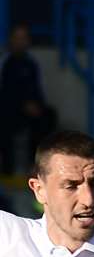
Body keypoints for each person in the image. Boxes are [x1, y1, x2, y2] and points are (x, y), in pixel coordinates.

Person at [0, 25, 58, 174]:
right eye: (17, 38)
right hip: (9, 109)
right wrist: (22, 105)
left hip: (30, 111)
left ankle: (35, 165)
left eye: (23, 38)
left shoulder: (31, 64)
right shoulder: (5, 62)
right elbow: (6, 91)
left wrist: (37, 106)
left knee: (47, 116)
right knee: (5, 122)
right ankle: (8, 169)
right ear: (10, 40)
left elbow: (37, 90)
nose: (20, 42)